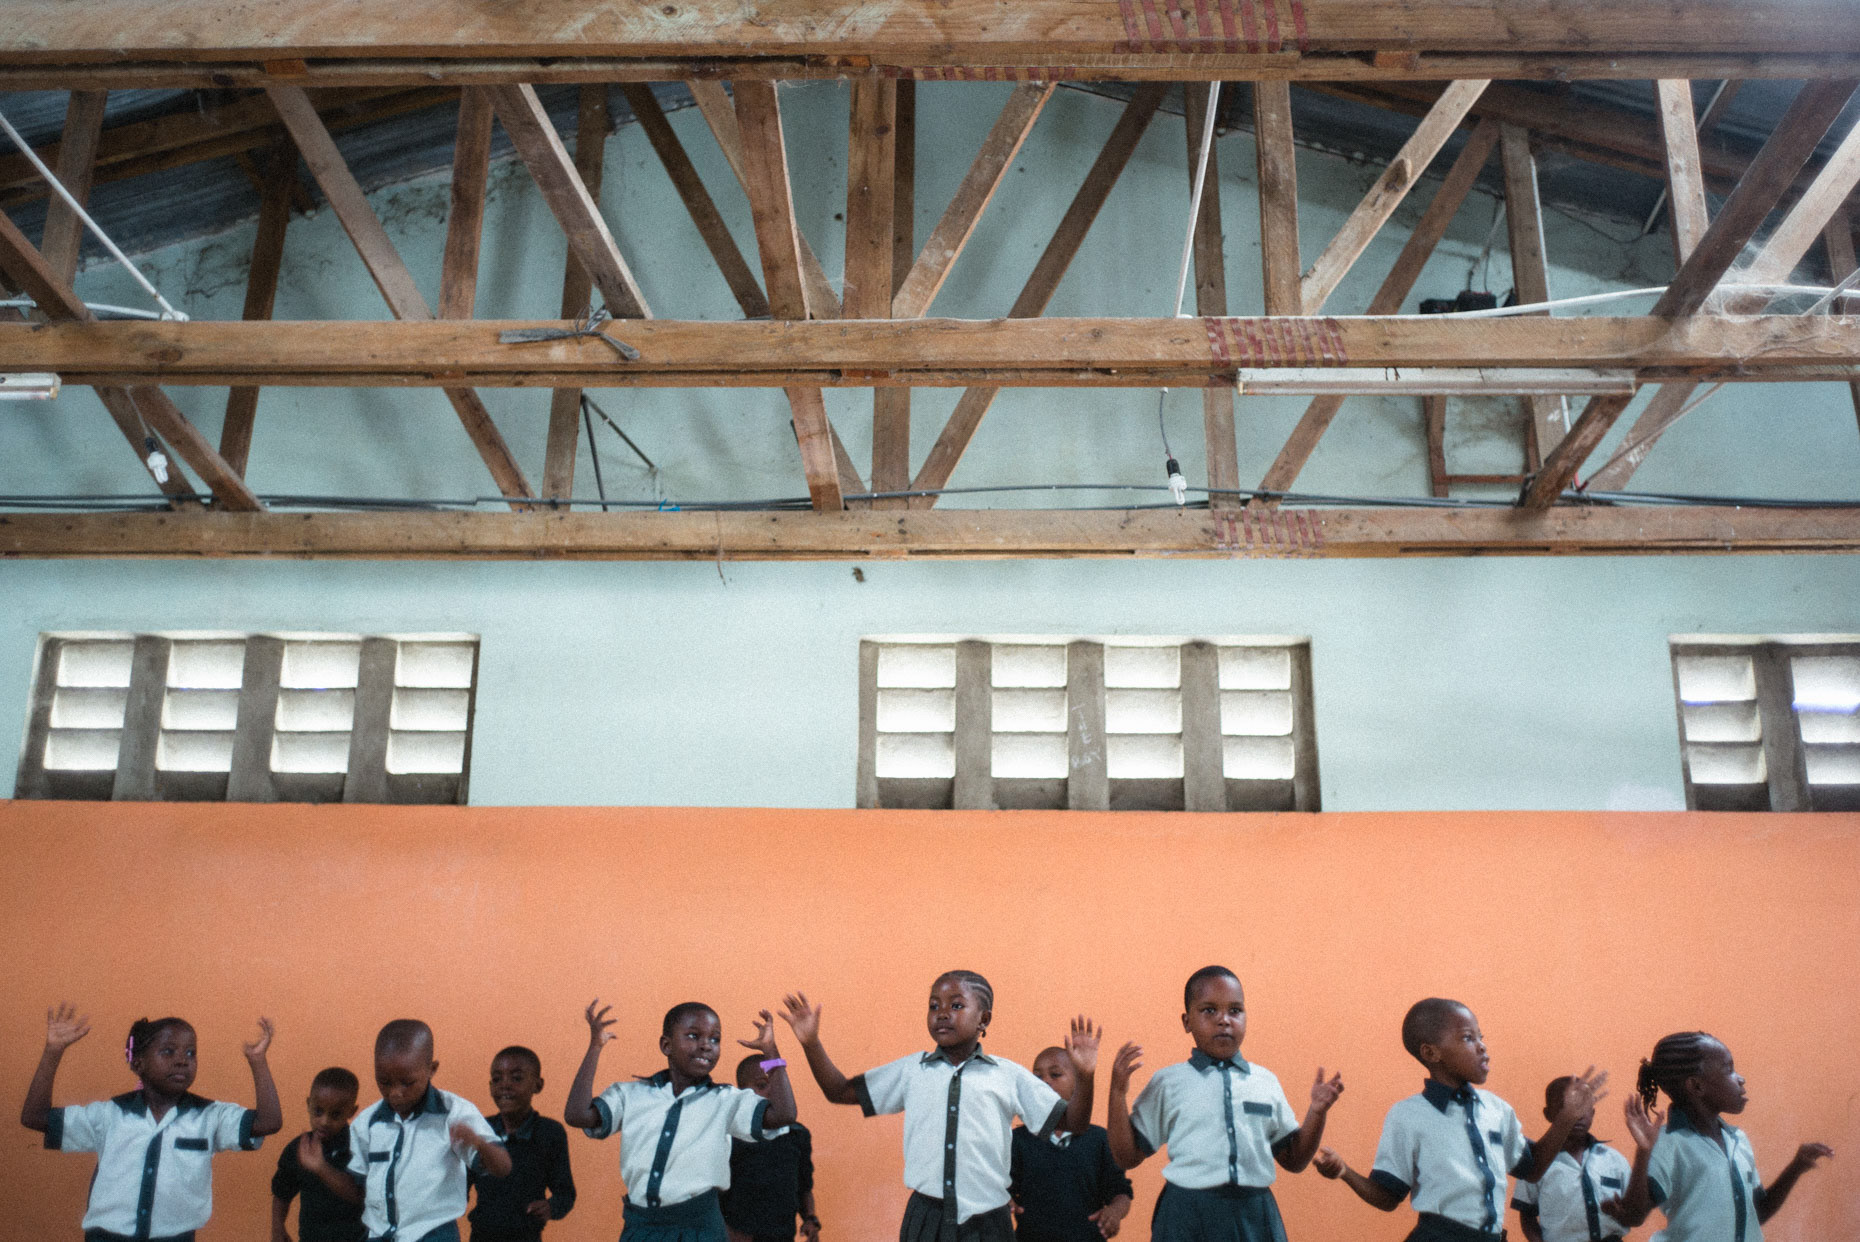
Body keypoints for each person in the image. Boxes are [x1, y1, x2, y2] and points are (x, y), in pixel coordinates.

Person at [780, 971, 1100, 1242]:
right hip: (925, 1219)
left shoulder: (1007, 1075)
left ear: (983, 1019)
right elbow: (839, 1091)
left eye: (956, 1005)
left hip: (988, 1223)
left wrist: (1085, 1077)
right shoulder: (911, 1070)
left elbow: (1074, 1123)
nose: (942, 1013)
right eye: (934, 1006)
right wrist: (811, 1043)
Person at [1312, 997, 1606, 1242]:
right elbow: (1388, 1196)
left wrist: (1567, 1116)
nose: (1481, 1046)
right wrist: (1344, 1172)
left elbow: (1532, 1168)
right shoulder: (1408, 1115)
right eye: (1468, 1038)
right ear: (1431, 1052)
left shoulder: (1497, 1110)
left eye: (1481, 1037)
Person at [1104, 966, 1340, 1242]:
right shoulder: (1168, 1082)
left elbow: (1295, 1160)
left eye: (1235, 1010)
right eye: (1209, 1010)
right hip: (1186, 1214)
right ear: (1186, 1021)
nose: (1224, 1020)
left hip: (1255, 1213)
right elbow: (1126, 1156)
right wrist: (1117, 1092)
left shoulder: (1265, 1082)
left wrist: (1317, 1112)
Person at [21, 1002, 282, 1241]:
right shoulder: (110, 1115)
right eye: (168, 1052)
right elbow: (36, 1117)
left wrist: (258, 1062)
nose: (182, 1060)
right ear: (138, 1063)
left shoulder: (210, 1116)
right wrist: (52, 1052)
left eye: (191, 1053)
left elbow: (268, 1122)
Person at [565, 998, 797, 1242]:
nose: (706, 1045)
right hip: (641, 1227)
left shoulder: (726, 1101)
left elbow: (784, 1115)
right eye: (694, 1036)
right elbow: (578, 1115)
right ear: (666, 1045)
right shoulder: (630, 1095)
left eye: (715, 1039)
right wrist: (594, 1048)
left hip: (700, 1228)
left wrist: (770, 1052)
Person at [296, 1019, 512, 1242]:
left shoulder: (454, 1113)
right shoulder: (367, 1123)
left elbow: (503, 1168)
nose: (395, 1093)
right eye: (384, 1082)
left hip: (433, 1236)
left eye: (407, 1083)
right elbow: (359, 1193)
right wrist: (322, 1168)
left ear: (432, 1069)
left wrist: (480, 1143)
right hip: (379, 1236)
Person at [1604, 1031, 1833, 1242]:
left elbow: (1757, 1212)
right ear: (1696, 1086)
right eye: (1728, 1069)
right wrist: (1643, 1152)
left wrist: (1796, 1166)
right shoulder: (1669, 1143)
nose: (1740, 1079)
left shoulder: (1738, 1140)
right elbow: (1634, 1216)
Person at [1011, 1044, 1132, 1242]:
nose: (1045, 1082)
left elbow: (1120, 1191)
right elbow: (1003, 1185)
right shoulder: (1019, 1140)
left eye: (1055, 1075)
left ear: (1078, 1084)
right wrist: (1004, 1200)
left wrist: (1115, 1212)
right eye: (1038, 1077)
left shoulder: (1100, 1140)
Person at [468, 1046, 576, 1242]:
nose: (504, 1085)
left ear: (538, 1085)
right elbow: (460, 1187)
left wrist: (551, 1207)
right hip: (481, 1235)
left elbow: (565, 1193)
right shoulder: (480, 1130)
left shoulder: (550, 1133)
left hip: (526, 1236)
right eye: (497, 1079)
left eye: (516, 1078)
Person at [1511, 1075, 1632, 1242]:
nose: (1577, 1115)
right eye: (1566, 1107)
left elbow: (1634, 1212)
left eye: (1583, 1106)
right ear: (1548, 1114)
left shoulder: (1615, 1161)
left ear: (1593, 1112)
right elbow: (1527, 1216)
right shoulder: (1537, 1162)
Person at [720, 1053, 819, 1242]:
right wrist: (727, 1232)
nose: (772, 1092)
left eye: (777, 1084)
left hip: (782, 1235)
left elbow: (804, 1187)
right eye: (762, 1085)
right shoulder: (730, 1136)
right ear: (742, 1092)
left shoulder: (797, 1135)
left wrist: (810, 1218)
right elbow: (710, 1194)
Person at [272, 1067, 367, 1242]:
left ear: (351, 1112)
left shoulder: (359, 1147)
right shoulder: (298, 1148)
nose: (324, 1121)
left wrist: (322, 1168)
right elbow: (281, 1192)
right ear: (308, 1104)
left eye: (335, 1114)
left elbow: (361, 1196)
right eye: (318, 1111)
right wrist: (278, 1228)